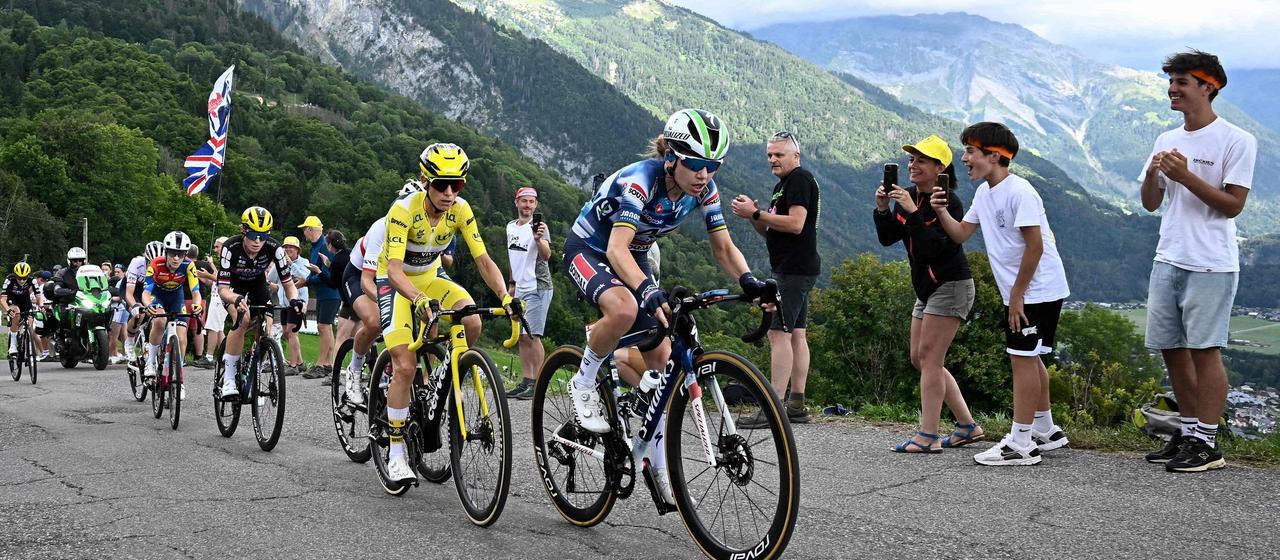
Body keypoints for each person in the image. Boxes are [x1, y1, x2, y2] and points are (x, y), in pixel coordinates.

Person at [563, 108, 765, 504]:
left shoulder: (704, 190)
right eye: (696, 165)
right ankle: (583, 381)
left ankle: (654, 462)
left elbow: (723, 248)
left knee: (663, 356)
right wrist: (646, 290)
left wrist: (749, 281)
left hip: (633, 255)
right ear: (671, 156)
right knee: (624, 309)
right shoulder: (641, 182)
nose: (704, 175)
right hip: (590, 249)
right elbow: (615, 248)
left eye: (713, 166)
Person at [1139, 50, 1256, 473]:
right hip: (1168, 256)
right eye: (1170, 81)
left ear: (1208, 87)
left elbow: (1233, 206)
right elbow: (1150, 203)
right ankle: (1188, 434)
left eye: (1182, 82)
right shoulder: (1165, 138)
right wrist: (1152, 175)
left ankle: (1207, 443)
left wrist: (1186, 176)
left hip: (1211, 263)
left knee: (1205, 352)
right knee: (1172, 351)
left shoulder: (1237, 140)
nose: (1172, 89)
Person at [932, 122, 1071, 467]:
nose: (964, 158)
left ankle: (1021, 443)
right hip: (1028, 290)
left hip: (1036, 290)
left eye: (970, 151)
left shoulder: (1020, 191)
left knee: (1021, 359)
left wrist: (1018, 296)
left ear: (994, 156)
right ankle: (1045, 430)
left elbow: (1035, 247)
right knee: (1031, 357)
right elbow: (961, 234)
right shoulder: (985, 193)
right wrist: (940, 211)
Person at [377, 142, 515, 484]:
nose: (450, 193)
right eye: (441, 185)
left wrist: (505, 296)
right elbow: (394, 269)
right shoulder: (403, 211)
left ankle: (442, 376)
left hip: (430, 277)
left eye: (457, 184)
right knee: (404, 365)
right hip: (396, 283)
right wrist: (417, 298)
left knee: (472, 321)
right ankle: (396, 451)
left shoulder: (461, 210)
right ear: (426, 181)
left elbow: (483, 260)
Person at [874, 135, 983, 452]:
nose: (912, 165)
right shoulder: (909, 196)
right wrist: (883, 209)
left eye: (921, 160)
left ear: (940, 168)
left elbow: (934, 248)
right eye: (912, 159)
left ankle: (928, 435)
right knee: (919, 359)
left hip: (950, 285)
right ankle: (967, 426)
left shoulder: (947, 202)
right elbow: (888, 238)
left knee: (931, 360)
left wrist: (913, 213)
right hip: (927, 289)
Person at [729, 130, 820, 425]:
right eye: (769, 154)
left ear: (796, 156)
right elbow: (772, 231)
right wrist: (754, 216)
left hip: (792, 270)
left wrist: (756, 213)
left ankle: (774, 407)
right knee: (796, 334)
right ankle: (796, 405)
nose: (772, 159)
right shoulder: (783, 185)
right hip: (797, 268)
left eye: (779, 154)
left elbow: (795, 224)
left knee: (778, 333)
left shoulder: (799, 179)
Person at [216, 207, 304, 398]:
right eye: (253, 234)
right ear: (243, 230)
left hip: (258, 285)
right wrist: (235, 298)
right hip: (233, 287)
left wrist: (295, 300)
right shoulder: (230, 247)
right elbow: (222, 289)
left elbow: (288, 284)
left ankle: (254, 372)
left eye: (263, 236)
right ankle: (229, 378)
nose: (257, 241)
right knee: (243, 319)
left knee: (267, 328)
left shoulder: (275, 248)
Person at [142, 231, 204, 400]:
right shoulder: (155, 264)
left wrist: (197, 305)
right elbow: (146, 293)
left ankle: (179, 379)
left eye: (181, 254)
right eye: (172, 253)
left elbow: (196, 292)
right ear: (166, 252)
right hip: (158, 296)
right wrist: (148, 305)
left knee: (182, 337)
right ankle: (151, 361)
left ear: (185, 255)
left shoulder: (189, 265)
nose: (176, 258)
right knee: (160, 321)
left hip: (177, 298)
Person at [505, 186, 553, 400]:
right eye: (524, 201)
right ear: (516, 202)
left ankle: (538, 383)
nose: (527, 205)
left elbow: (547, 255)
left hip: (538, 286)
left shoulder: (540, 227)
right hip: (519, 288)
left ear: (536, 205)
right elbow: (511, 256)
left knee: (532, 336)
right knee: (522, 338)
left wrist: (538, 239)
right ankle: (526, 381)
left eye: (531, 202)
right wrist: (511, 284)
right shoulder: (510, 227)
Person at [298, 215, 340, 380]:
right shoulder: (316, 246)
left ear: (310, 230)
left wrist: (307, 281)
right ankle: (329, 363)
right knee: (326, 327)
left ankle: (321, 364)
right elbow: (314, 271)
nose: (304, 233)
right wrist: (305, 280)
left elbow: (326, 272)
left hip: (330, 292)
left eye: (305, 230)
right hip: (324, 293)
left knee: (323, 326)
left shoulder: (323, 245)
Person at [272, 236, 312, 375]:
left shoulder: (304, 262)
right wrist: (277, 263)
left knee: (292, 332)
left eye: (291, 247)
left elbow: (306, 277)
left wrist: (291, 264)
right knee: (286, 333)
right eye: (285, 247)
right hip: (284, 303)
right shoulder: (281, 262)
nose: (288, 249)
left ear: (297, 250)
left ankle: (293, 365)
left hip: (297, 302)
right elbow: (271, 278)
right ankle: (300, 363)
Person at [125, 241, 165, 363]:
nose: (154, 266)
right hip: (135, 290)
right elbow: (129, 293)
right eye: (151, 263)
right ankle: (130, 341)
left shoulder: (166, 266)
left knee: (159, 314)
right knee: (140, 313)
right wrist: (135, 306)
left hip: (151, 290)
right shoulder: (136, 263)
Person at [199, 237, 229, 366]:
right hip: (218, 296)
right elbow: (219, 276)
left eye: (217, 246)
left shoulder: (228, 260)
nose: (215, 249)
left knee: (212, 327)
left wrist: (207, 275)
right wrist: (209, 269)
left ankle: (209, 357)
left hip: (219, 298)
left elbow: (224, 279)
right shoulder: (224, 260)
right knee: (219, 329)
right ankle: (225, 357)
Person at [2, 263, 36, 357]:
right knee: (16, 313)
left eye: (24, 277)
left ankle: (27, 341)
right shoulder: (9, 280)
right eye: (19, 277)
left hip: (25, 301)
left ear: (28, 275)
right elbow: (3, 299)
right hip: (13, 301)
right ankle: (13, 345)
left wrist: (41, 305)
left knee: (30, 323)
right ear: (15, 275)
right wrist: (8, 310)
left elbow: (39, 295)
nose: (22, 280)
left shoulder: (32, 279)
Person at [185, 245, 209, 366]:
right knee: (198, 329)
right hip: (200, 300)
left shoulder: (184, 264)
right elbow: (211, 282)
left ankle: (181, 356)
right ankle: (199, 356)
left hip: (184, 298)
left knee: (182, 328)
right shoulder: (204, 265)